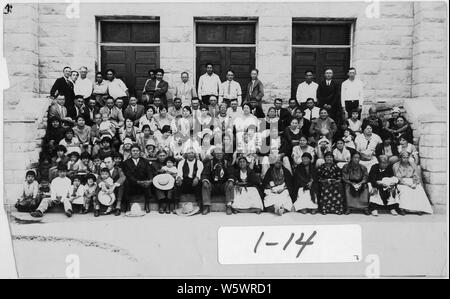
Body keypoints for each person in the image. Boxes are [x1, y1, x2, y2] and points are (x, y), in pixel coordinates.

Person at [121, 144, 154, 213]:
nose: (135, 152)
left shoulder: (145, 161)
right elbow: (128, 175)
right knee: (126, 182)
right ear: (130, 152)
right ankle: (127, 205)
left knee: (147, 183)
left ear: (140, 152)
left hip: (143, 183)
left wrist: (150, 180)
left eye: (137, 151)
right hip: (132, 184)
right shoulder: (126, 163)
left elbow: (149, 171)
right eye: (133, 151)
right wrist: (138, 182)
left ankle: (147, 205)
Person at [201, 148, 234, 215]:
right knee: (205, 184)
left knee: (230, 184)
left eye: (220, 153)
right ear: (213, 154)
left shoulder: (226, 163)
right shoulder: (210, 163)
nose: (219, 155)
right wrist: (205, 181)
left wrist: (230, 181)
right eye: (217, 153)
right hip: (213, 185)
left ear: (223, 154)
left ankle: (228, 206)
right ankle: (206, 206)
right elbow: (205, 174)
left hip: (223, 185)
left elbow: (231, 174)